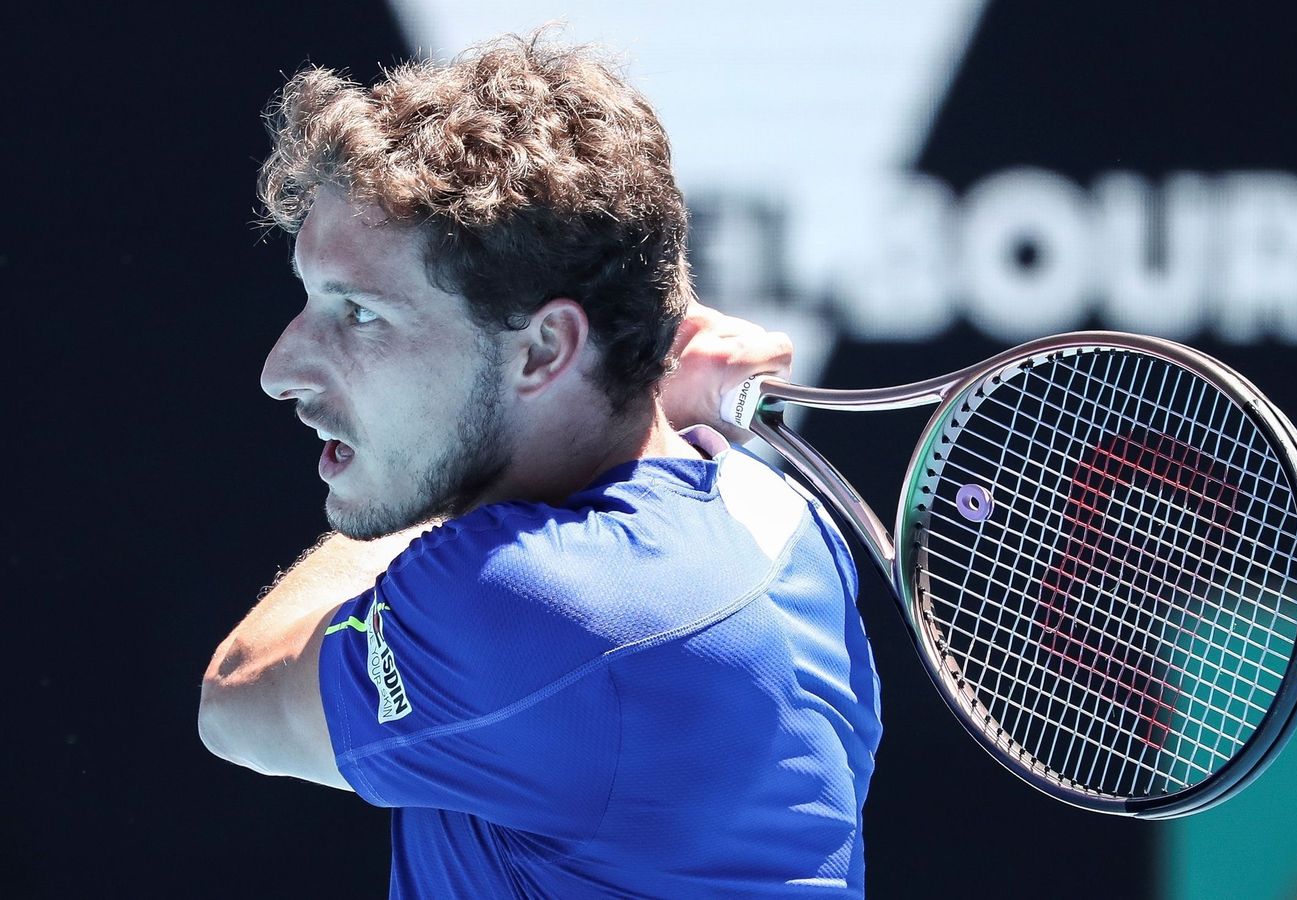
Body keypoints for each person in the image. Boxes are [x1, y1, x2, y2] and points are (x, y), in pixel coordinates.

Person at [198, 32, 882, 898]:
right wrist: (644, 374)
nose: (281, 370)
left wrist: (426, 487)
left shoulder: (526, 604)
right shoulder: (769, 508)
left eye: (361, 314)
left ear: (545, 349)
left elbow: (238, 694)